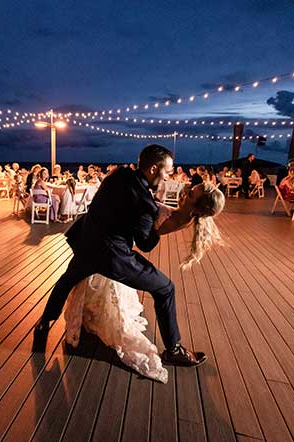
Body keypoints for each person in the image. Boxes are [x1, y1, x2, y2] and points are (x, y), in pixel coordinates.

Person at [35, 144, 207, 369]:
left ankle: (43, 323)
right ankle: (174, 350)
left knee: (67, 279)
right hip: (113, 256)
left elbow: (119, 205)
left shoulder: (119, 174)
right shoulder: (145, 202)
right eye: (167, 171)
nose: (168, 176)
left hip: (86, 242)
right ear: (154, 169)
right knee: (166, 288)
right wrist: (160, 224)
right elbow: (145, 243)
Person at [63, 181, 224, 382]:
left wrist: (145, 203)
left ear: (198, 208)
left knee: (165, 288)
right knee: (165, 289)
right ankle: (173, 349)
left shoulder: (179, 218)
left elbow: (146, 240)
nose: (184, 193)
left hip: (111, 245)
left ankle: (172, 349)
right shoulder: (185, 215)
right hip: (106, 244)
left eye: (190, 194)